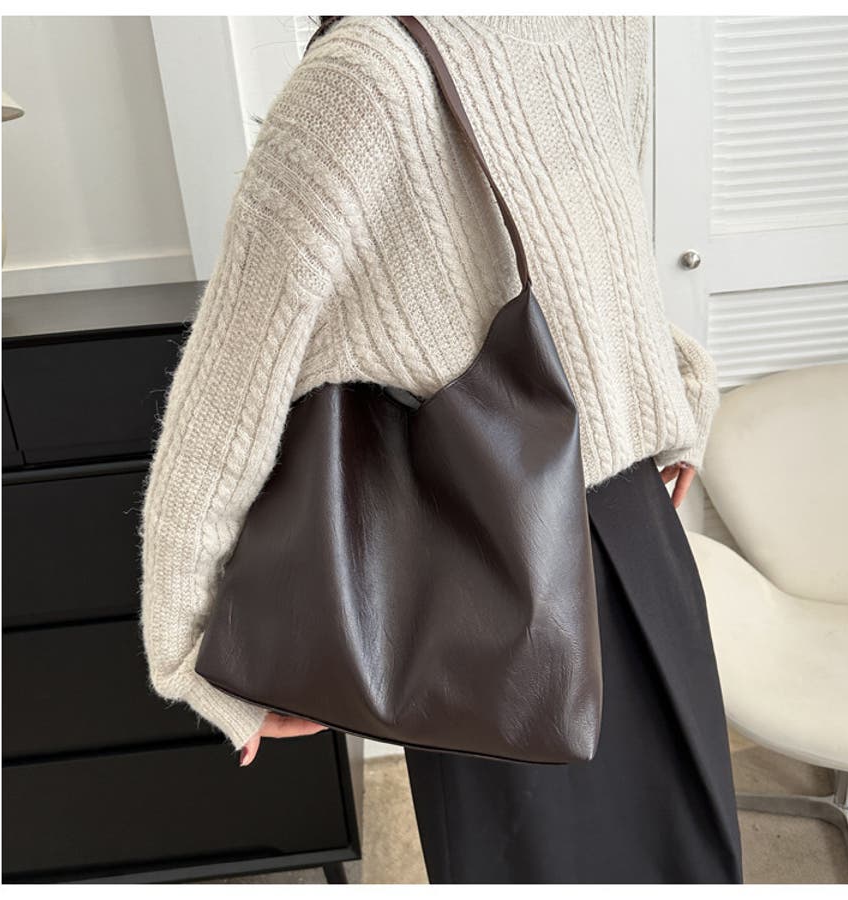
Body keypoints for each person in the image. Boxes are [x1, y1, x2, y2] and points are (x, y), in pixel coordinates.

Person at [139, 15, 743, 884]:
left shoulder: (360, 77)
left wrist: (190, 651)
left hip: (495, 572)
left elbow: (225, 407)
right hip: (627, 530)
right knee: (687, 857)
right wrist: (672, 401)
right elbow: (602, 260)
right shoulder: (594, 19)